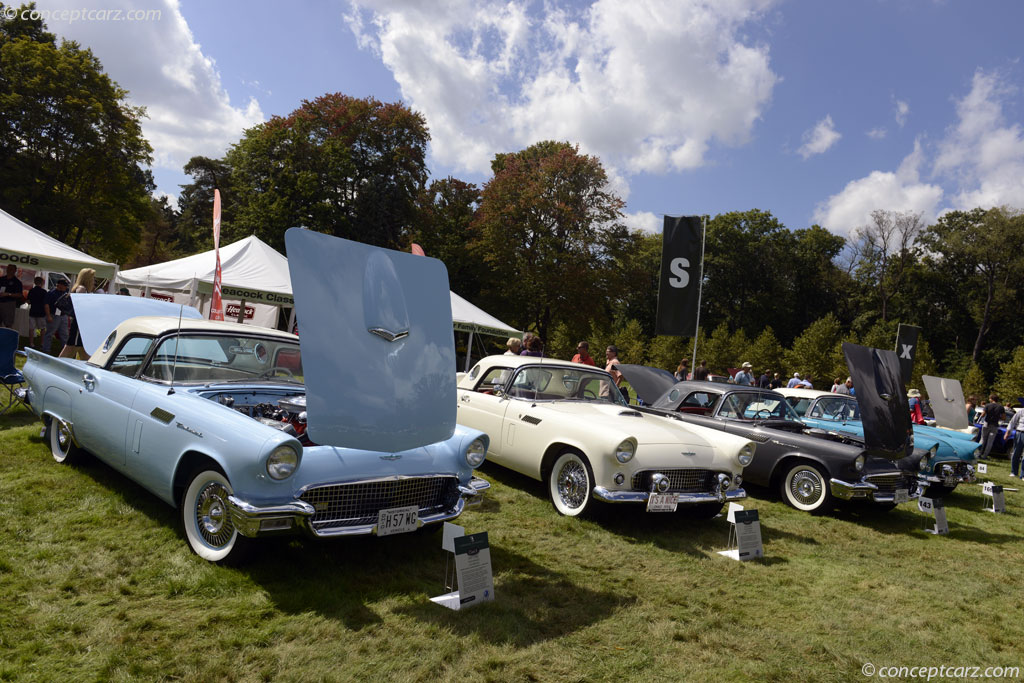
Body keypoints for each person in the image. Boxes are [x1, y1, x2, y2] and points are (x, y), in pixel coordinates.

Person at [59, 268, 96, 360]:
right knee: (70, 348)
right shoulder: (81, 289)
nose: (94, 280)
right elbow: (81, 306)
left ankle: (90, 370)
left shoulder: (84, 289)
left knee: (85, 352)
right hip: (79, 325)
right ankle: (55, 368)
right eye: (93, 277)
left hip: (83, 325)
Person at [42, 279, 71, 354]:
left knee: (65, 334)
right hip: (53, 315)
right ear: (60, 285)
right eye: (64, 285)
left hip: (63, 315)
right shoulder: (51, 293)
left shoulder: (65, 292)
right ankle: (46, 349)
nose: (65, 287)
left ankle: (65, 352)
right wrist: (48, 316)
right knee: (50, 333)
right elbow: (46, 304)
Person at [979, 394, 1005, 459]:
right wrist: (998, 417)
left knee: (983, 439)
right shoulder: (1001, 407)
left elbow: (982, 415)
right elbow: (1004, 417)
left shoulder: (987, 405)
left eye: (989, 398)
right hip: (995, 425)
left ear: (991, 399)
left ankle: (978, 453)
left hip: (986, 423)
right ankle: (985, 456)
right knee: (990, 441)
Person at [27, 276, 48, 349]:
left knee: (31, 328)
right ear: (42, 283)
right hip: (41, 313)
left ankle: (31, 343)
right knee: (42, 329)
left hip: (32, 311)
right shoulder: (44, 292)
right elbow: (46, 303)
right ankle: (42, 343)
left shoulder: (31, 291)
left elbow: (28, 301)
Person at [0, 264, 22, 328]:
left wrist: (8, 294)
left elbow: (19, 295)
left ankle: (7, 337)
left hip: (9, 304)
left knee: (8, 323)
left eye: (11, 269)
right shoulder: (1, 279)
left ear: (15, 271)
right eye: (8, 269)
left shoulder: (17, 282)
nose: (9, 270)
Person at [1005, 407, 1024, 477]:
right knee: (1016, 453)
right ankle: (1014, 472)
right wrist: (1007, 432)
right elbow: (1013, 421)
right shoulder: (1021, 411)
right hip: (1020, 433)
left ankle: (1023, 475)